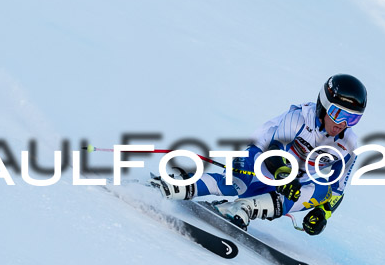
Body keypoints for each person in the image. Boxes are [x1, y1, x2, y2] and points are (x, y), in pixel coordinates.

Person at [150, 74, 366, 236]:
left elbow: (337, 190)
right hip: (260, 157)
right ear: (324, 106)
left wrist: (321, 215)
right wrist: (285, 178)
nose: (343, 125)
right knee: (238, 184)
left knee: (321, 192)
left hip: (289, 183)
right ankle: (179, 186)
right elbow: (273, 150)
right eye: (339, 114)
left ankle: (241, 208)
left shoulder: (348, 146)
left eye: (353, 119)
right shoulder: (300, 117)